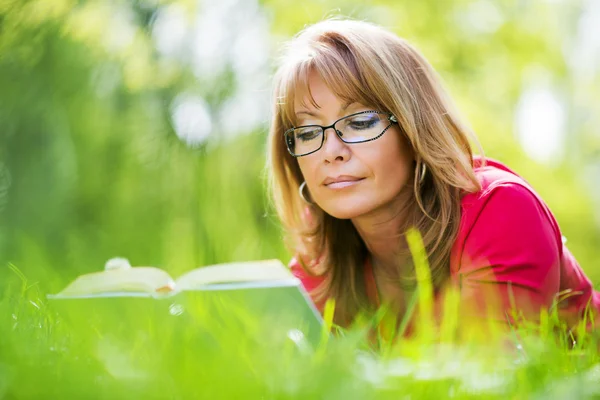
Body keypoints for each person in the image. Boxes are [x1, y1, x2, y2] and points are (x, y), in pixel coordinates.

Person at [266, 19, 599, 338]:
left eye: (360, 122)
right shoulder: (321, 258)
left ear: (414, 133)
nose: (330, 151)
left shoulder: (499, 209)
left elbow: (487, 384)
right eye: (308, 132)